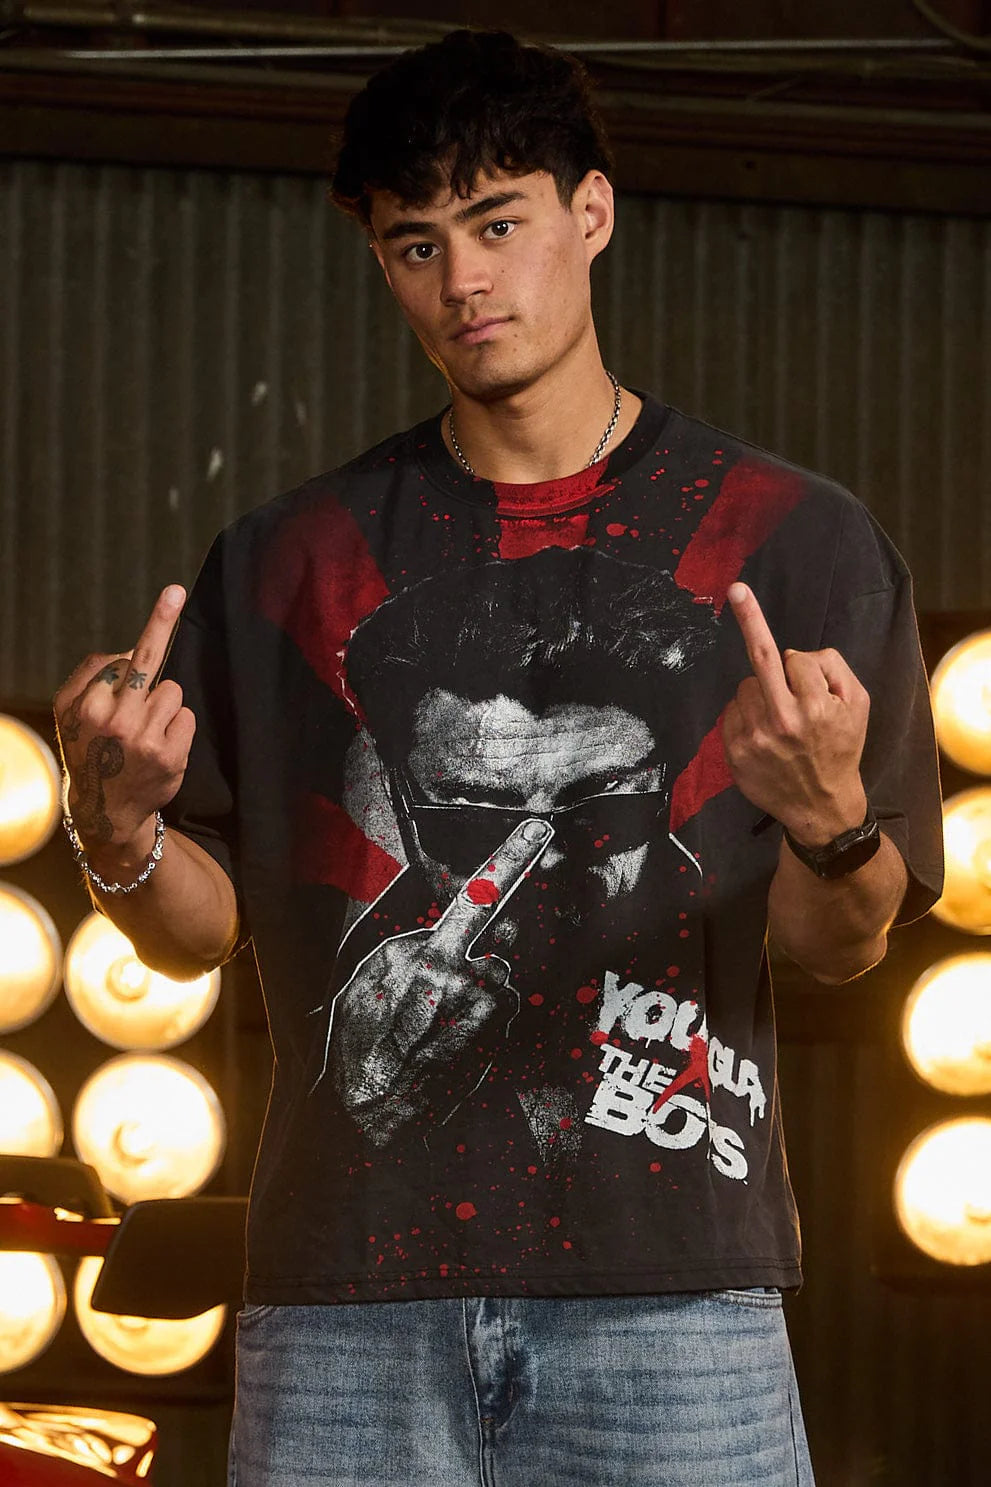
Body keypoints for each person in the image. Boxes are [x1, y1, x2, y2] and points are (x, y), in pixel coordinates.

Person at [54, 28, 943, 1487]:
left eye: (498, 222)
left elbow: (842, 948)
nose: (464, 280)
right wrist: (116, 832)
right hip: (346, 1308)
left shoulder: (801, 546)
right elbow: (194, 929)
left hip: (674, 1303)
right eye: (418, 244)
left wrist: (831, 822)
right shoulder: (287, 563)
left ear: (591, 212)